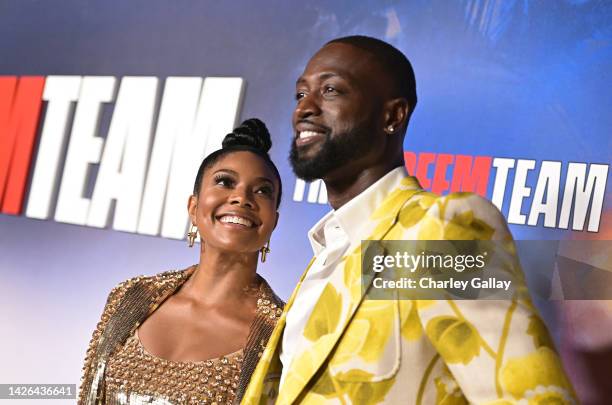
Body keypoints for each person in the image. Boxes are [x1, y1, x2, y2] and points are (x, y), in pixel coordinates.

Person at [242, 36, 577, 404]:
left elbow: (533, 397)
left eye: (331, 90)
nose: (304, 108)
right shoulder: (328, 251)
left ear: (392, 116)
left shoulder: (439, 228)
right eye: (300, 94)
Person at [79, 118, 285, 405]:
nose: (241, 198)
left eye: (262, 191)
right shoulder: (129, 296)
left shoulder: (281, 336)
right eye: (225, 182)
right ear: (193, 207)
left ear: (273, 221)